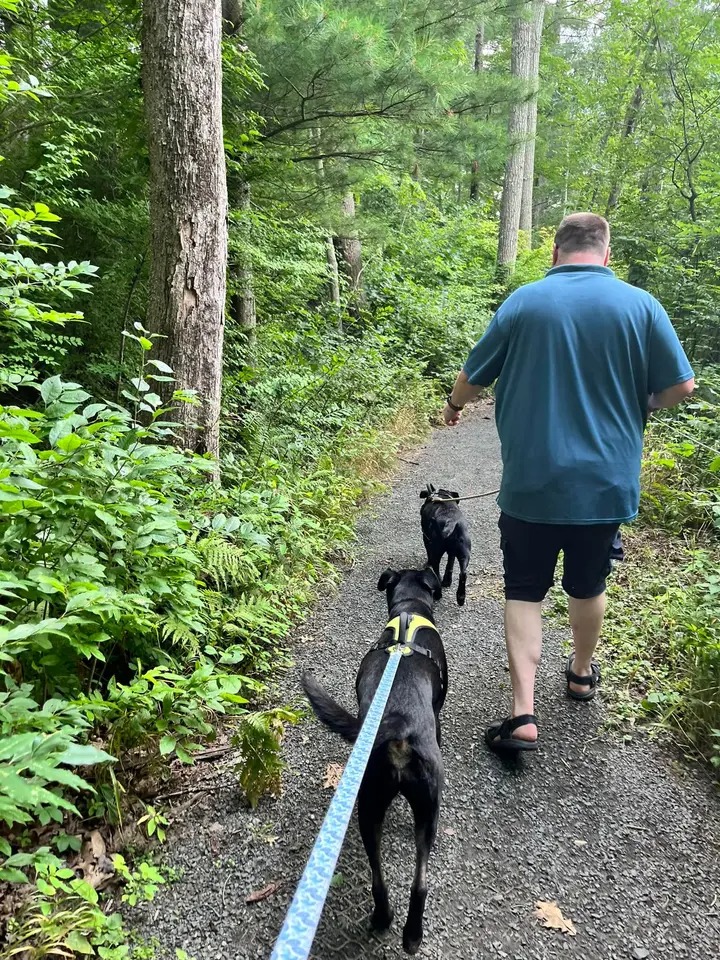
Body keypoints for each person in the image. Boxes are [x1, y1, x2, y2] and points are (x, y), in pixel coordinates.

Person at [443, 213, 694, 753]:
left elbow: (473, 377)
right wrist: (643, 402)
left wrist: (453, 406)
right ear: (606, 255)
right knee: (589, 583)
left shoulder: (525, 302)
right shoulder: (641, 305)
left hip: (532, 483)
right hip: (605, 484)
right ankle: (581, 673)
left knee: (524, 589)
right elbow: (682, 385)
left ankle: (523, 714)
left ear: (554, 253)